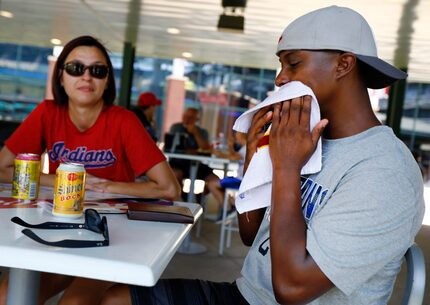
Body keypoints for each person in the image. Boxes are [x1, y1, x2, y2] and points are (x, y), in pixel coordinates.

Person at [100, 5, 425, 305]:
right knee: (115, 298)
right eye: (280, 64)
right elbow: (250, 233)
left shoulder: (384, 172)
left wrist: (286, 167)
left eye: (293, 63)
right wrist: (254, 161)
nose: (280, 78)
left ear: (343, 64)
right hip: (246, 295)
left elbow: (292, 289)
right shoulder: (308, 139)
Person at [0, 35, 180, 305]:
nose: (86, 77)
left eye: (97, 70)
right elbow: (3, 167)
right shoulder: (47, 113)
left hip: (114, 231)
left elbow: (169, 188)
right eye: (75, 68)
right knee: (7, 296)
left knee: (74, 303)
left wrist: (105, 185)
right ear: (61, 76)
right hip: (60, 224)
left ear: (107, 81)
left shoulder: (124, 121)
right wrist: (64, 181)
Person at [168, 107, 221, 202]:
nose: (188, 119)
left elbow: (205, 148)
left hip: (197, 164)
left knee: (214, 179)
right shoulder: (176, 127)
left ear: (197, 120)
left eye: (191, 117)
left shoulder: (203, 132)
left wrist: (195, 132)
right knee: (175, 175)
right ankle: (182, 198)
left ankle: (201, 198)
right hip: (178, 163)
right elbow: (173, 147)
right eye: (186, 116)